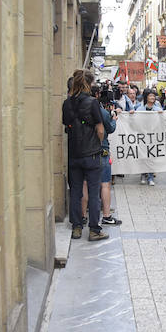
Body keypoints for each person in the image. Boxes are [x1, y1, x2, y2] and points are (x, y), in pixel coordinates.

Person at [62, 70, 109, 240]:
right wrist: (98, 141)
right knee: (94, 190)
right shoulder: (92, 103)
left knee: (76, 191)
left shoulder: (67, 103)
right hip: (92, 154)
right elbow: (100, 128)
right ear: (88, 84)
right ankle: (94, 229)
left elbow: (67, 124)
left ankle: (77, 227)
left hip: (74, 154)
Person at [87, 84, 121, 225]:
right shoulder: (102, 112)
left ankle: (82, 217)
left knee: (85, 184)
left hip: (83, 150)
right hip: (101, 150)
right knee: (105, 184)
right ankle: (106, 215)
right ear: (97, 95)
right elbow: (109, 129)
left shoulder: (78, 108)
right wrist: (113, 119)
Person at [135, 89, 164, 186]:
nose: (152, 98)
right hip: (143, 136)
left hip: (154, 136)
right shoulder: (139, 109)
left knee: (151, 157)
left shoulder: (158, 109)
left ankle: (151, 177)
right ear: (146, 97)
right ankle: (143, 175)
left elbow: (164, 119)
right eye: (150, 96)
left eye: (153, 96)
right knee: (143, 156)